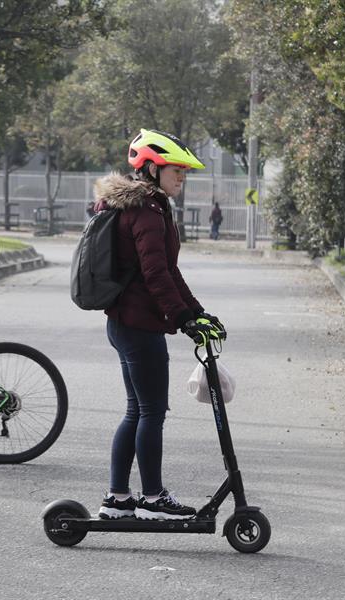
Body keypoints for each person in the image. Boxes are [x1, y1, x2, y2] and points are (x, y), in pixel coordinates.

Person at [92, 129, 223, 520]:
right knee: (151, 411)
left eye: (184, 172)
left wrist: (196, 312)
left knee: (137, 410)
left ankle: (117, 498)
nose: (181, 178)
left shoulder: (146, 206)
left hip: (126, 323)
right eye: (176, 171)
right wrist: (183, 319)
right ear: (152, 168)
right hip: (138, 326)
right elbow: (155, 275)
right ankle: (151, 498)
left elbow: (168, 270)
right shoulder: (146, 211)